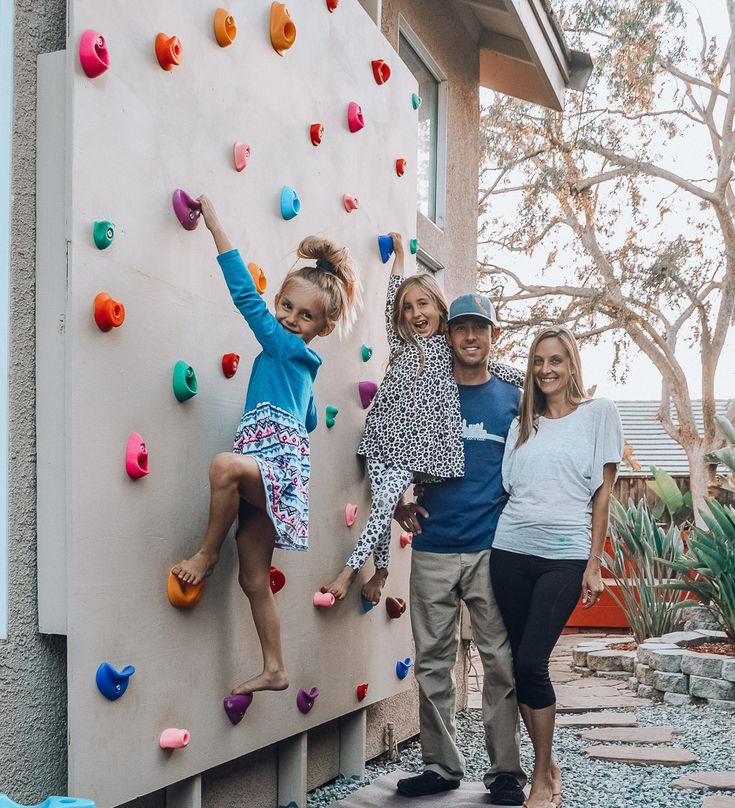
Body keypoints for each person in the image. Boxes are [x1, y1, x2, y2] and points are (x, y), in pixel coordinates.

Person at [172, 196, 360, 695]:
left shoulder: (281, 345)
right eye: (287, 307)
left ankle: (206, 555)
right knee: (254, 578)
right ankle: (276, 667)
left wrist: (215, 223)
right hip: (278, 474)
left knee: (223, 468)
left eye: (305, 316)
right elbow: (310, 418)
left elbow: (243, 296)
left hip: (270, 468)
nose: (290, 318)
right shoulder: (302, 367)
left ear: (322, 328)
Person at [322, 240, 522, 606]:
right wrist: (399, 258)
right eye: (408, 308)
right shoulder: (402, 343)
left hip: (413, 449)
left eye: (423, 304)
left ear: (440, 311)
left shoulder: (450, 348)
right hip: (381, 437)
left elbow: (500, 368)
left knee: (383, 504)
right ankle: (382, 570)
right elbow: (389, 302)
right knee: (384, 502)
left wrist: (540, 381)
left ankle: (350, 570)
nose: (415, 313)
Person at [393, 294, 527, 805]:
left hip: (491, 549)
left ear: (494, 336)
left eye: (482, 329)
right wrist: (400, 494)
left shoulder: (513, 401)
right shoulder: (427, 391)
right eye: (463, 328)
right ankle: (442, 766)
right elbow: (392, 448)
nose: (471, 337)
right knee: (432, 660)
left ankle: (505, 774)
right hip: (432, 547)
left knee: (499, 660)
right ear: (449, 334)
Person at [490, 326, 624, 808]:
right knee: (520, 666)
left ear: (572, 365)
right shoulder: (522, 425)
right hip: (508, 552)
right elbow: (509, 489)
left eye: (556, 360)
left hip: (565, 556)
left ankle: (542, 779)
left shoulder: (598, 413)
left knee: (531, 662)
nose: (546, 370)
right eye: (538, 362)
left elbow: (604, 495)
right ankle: (547, 768)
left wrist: (595, 563)